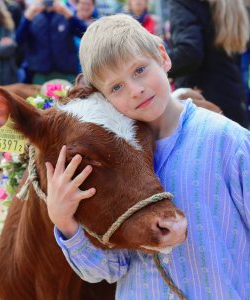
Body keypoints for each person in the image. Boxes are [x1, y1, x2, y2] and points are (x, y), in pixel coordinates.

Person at [45, 14, 250, 299]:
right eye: (116, 87)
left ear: (163, 57)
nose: (135, 90)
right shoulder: (112, 164)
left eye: (139, 70)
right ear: (104, 98)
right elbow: (109, 270)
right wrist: (64, 222)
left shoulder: (228, 141)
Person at [167, 0, 250, 128]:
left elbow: (189, 53)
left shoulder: (186, 3)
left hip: (203, 107)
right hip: (233, 102)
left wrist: (159, 66)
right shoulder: (231, 4)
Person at [15, 0, 89, 84]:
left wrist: (67, 13)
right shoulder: (32, 16)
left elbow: (85, 34)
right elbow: (18, 40)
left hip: (66, 72)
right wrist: (28, 16)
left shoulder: (66, 14)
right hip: (39, 73)